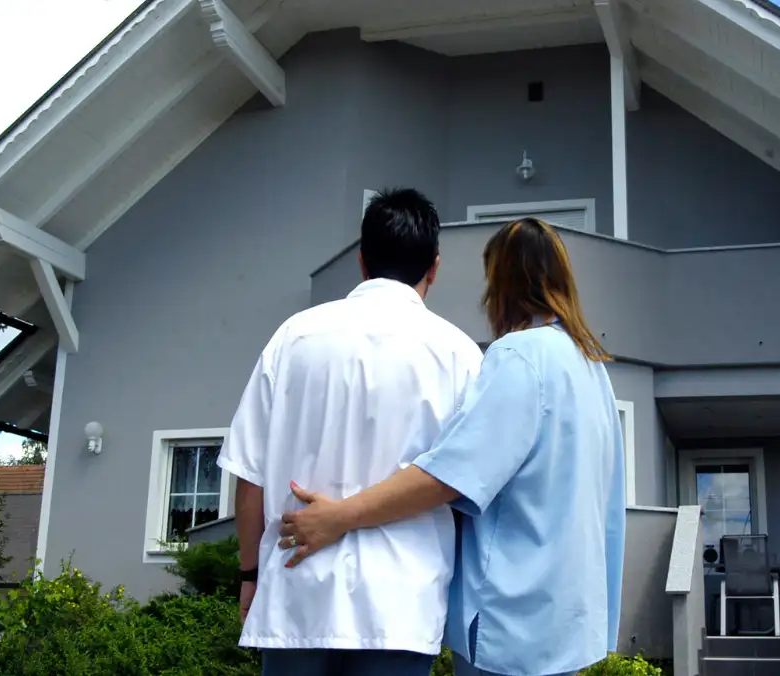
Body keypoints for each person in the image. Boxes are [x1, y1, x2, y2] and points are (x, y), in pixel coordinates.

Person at [278, 217, 627, 676]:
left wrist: (338, 518)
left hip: (510, 620)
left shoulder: (520, 356)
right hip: (567, 619)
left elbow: (448, 476)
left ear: (499, 282)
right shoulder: (589, 366)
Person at [217, 188, 483, 676]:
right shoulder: (460, 356)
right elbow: (465, 483)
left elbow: (249, 477)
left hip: (296, 596)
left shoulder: (292, 337)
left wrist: (250, 576)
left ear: (361, 261)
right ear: (435, 267)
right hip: (400, 608)